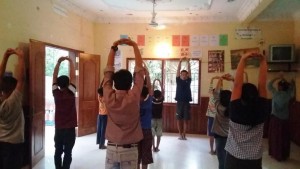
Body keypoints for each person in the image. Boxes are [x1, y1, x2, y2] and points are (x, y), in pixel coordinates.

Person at [103, 38, 144, 169]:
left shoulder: (109, 96)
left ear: (114, 83)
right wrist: (135, 46)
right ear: (130, 84)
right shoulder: (134, 96)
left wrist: (113, 47)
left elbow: (108, 73)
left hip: (111, 148)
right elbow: (139, 72)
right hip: (130, 150)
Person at [224, 51, 268, 169]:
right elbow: (262, 85)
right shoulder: (262, 109)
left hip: (234, 159)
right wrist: (263, 61)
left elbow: (238, 85)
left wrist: (243, 59)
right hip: (254, 160)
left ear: (241, 96)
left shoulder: (235, 109)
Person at [0, 48, 25, 169]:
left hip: (2, 143)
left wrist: (5, 57)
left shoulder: (1, 102)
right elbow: (22, 79)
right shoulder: (13, 102)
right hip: (14, 145)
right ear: (11, 89)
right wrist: (21, 57)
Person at [52, 56, 77, 169]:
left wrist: (59, 62)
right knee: (68, 152)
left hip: (59, 128)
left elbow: (54, 76)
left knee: (58, 150)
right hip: (70, 128)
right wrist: (71, 61)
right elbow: (73, 76)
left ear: (58, 84)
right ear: (68, 84)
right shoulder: (71, 92)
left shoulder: (55, 93)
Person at [268, 76, 295, 161]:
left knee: (275, 138)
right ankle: (284, 155)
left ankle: (275, 155)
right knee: (284, 138)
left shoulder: (275, 93)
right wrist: (286, 80)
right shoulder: (289, 94)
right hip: (285, 121)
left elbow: (269, 85)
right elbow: (292, 87)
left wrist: (277, 77)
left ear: (280, 87)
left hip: (275, 120)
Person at [211, 74, 233, 169]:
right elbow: (239, 94)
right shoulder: (234, 108)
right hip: (231, 136)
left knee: (221, 158)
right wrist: (233, 80)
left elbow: (215, 93)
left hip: (219, 136)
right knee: (229, 158)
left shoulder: (218, 107)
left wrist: (220, 79)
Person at [138, 65, 153, 169]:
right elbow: (150, 87)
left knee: (144, 153)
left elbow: (150, 87)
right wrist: (146, 73)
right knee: (140, 153)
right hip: (141, 130)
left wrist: (146, 73)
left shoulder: (134, 103)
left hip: (140, 130)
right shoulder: (148, 102)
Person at [175, 57, 192, 140]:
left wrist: (188, 62)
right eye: (183, 74)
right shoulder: (178, 80)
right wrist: (180, 61)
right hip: (179, 102)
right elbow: (178, 71)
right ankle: (180, 134)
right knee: (178, 119)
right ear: (181, 75)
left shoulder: (188, 80)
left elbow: (190, 71)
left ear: (187, 75)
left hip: (186, 103)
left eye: (185, 75)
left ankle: (184, 134)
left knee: (185, 119)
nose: (184, 76)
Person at [206, 76, 220, 155]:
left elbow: (211, 87)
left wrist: (212, 79)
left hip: (211, 118)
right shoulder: (219, 100)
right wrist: (220, 80)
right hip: (218, 118)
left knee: (211, 135)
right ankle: (216, 150)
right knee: (217, 135)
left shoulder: (211, 97)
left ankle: (211, 150)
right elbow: (220, 88)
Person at [151, 79, 164, 152]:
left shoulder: (152, 100)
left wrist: (153, 83)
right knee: (159, 134)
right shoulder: (161, 100)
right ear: (160, 95)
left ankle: (153, 147)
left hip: (152, 119)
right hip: (159, 119)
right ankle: (157, 147)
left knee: (152, 134)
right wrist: (160, 82)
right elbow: (163, 91)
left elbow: (152, 92)